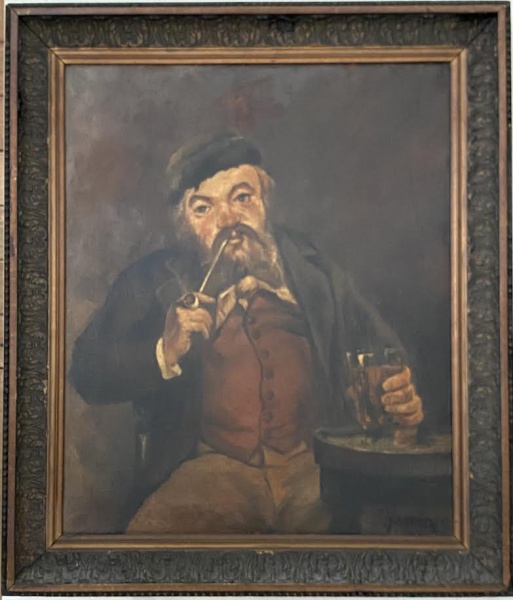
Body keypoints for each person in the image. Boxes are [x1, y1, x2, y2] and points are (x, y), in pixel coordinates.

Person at [70, 132, 424, 535]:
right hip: (209, 473)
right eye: (203, 208)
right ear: (183, 223)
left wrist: (399, 398)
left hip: (318, 471)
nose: (228, 221)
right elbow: (87, 372)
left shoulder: (315, 270)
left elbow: (384, 355)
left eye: (242, 198)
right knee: (146, 553)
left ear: (265, 201)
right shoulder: (152, 280)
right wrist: (164, 351)